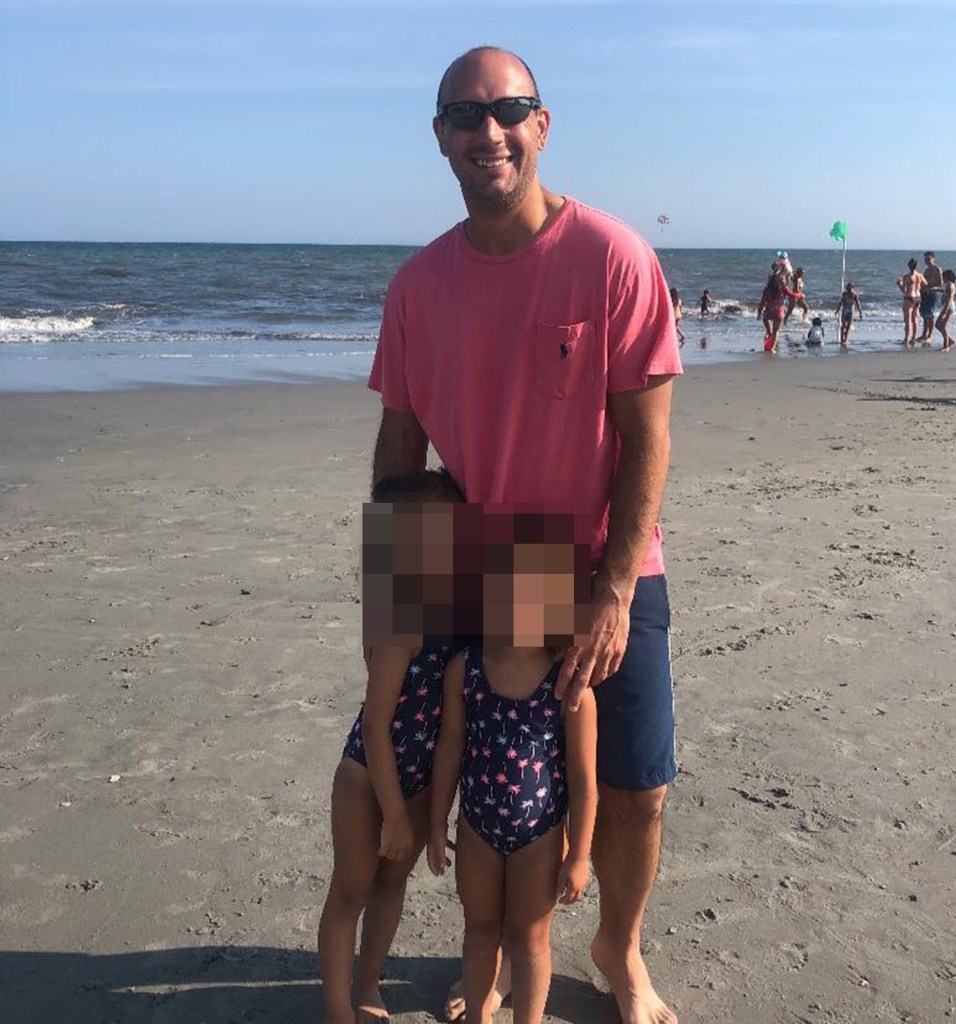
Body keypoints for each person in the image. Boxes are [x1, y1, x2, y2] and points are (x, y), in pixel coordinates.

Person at [369, 45, 682, 1024]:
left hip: (597, 562)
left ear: (541, 126)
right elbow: (399, 445)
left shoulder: (611, 257)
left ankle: (618, 952)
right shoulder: (419, 285)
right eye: (464, 116)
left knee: (632, 788)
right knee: (473, 785)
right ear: (440, 139)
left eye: (508, 110)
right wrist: (394, 605)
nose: (486, 131)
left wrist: (617, 592)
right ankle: (499, 952)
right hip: (484, 565)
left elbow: (646, 440)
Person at [427, 541, 599, 1024]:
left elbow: (585, 780)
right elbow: (449, 748)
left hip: (540, 837)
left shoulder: (569, 686)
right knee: (479, 931)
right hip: (476, 830)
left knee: (530, 939)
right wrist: (437, 824)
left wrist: (580, 854)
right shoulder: (467, 669)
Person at [318, 469, 463, 1024]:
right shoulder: (400, 621)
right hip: (366, 778)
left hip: (419, 778)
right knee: (351, 891)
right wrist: (396, 818)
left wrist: (426, 818)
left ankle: (367, 983)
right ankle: (337, 1010)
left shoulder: (455, 617)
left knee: (391, 888)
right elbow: (376, 728)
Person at [757, 263, 802, 354]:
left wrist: (759, 312)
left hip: (768, 313)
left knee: (769, 332)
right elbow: (793, 295)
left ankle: (768, 341)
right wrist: (800, 294)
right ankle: (772, 349)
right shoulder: (783, 288)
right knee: (775, 332)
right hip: (778, 313)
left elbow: (762, 302)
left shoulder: (767, 289)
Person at [897, 258, 927, 347]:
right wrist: (918, 287)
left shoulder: (907, 276)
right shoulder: (920, 275)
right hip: (918, 297)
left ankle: (906, 339)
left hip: (909, 297)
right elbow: (925, 284)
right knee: (915, 319)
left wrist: (899, 284)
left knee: (908, 320)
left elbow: (904, 290)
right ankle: (913, 338)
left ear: (909, 266)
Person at [917, 251, 944, 344]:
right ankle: (924, 334)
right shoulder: (926, 270)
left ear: (933, 259)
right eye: (925, 259)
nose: (927, 261)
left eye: (928, 259)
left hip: (932, 293)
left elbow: (940, 283)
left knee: (930, 315)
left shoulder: (937, 269)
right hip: (924, 294)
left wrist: (930, 286)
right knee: (925, 315)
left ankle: (929, 336)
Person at [834, 282, 863, 347]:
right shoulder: (844, 294)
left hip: (851, 312)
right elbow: (840, 303)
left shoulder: (854, 295)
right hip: (844, 312)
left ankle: (845, 339)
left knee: (848, 327)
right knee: (843, 326)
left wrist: (860, 312)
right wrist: (837, 311)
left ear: (853, 288)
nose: (850, 289)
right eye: (848, 288)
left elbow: (858, 304)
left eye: (851, 288)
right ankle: (842, 339)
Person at [937, 268, 956, 351]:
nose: (942, 279)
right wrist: (936, 290)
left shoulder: (950, 286)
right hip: (947, 306)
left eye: (943, 277)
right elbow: (945, 292)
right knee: (940, 325)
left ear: (947, 277)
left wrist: (945, 311)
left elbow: (949, 299)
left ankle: (946, 346)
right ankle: (949, 341)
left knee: (940, 325)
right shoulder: (948, 285)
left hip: (948, 307)